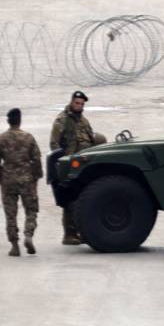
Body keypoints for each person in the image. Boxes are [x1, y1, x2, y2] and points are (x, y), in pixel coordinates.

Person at [50, 90, 103, 245]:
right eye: (77, 103)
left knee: (83, 199)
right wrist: (62, 163)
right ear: (71, 102)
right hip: (70, 166)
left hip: (84, 166)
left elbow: (91, 140)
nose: (79, 106)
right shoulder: (62, 120)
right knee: (70, 200)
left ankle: (80, 232)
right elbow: (54, 144)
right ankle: (69, 234)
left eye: (82, 104)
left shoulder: (84, 121)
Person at [0, 108, 42, 257]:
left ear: (8, 121)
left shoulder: (1, 139)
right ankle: (28, 235)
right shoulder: (28, 138)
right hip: (27, 179)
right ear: (20, 120)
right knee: (31, 210)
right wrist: (37, 176)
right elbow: (37, 158)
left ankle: (14, 245)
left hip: (8, 181)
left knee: (10, 214)